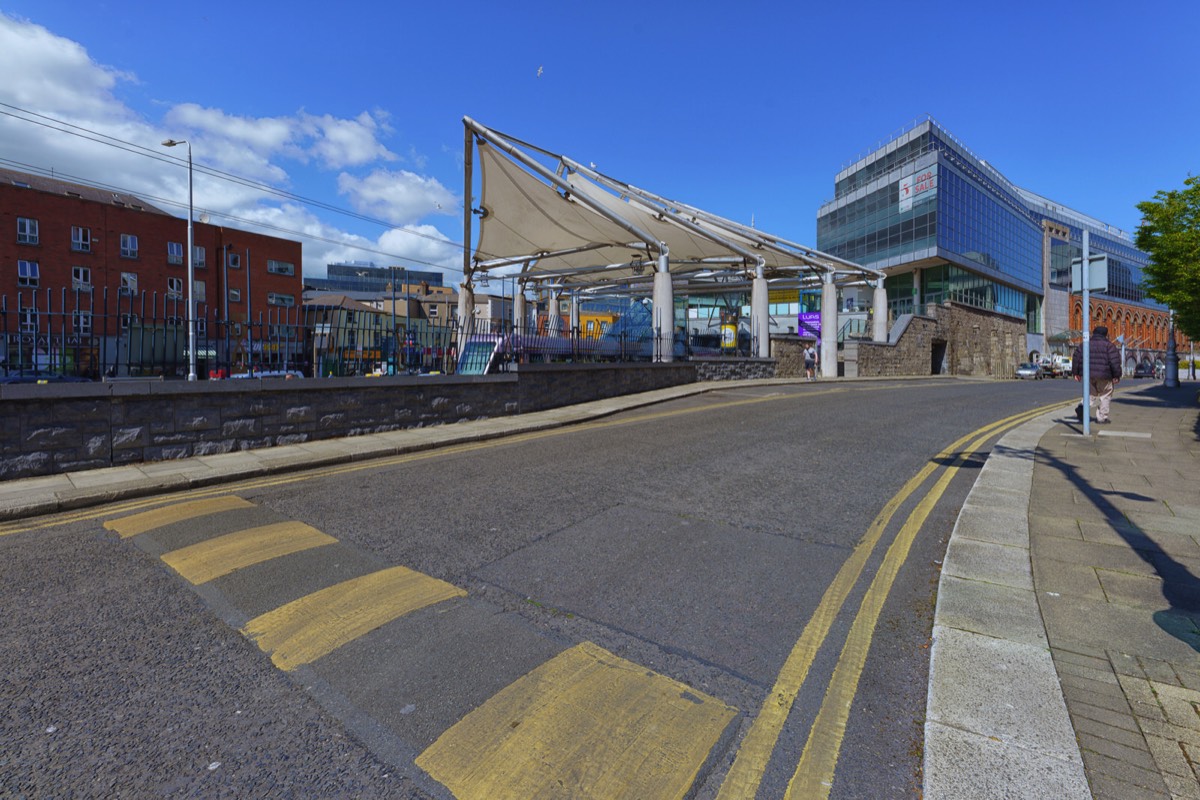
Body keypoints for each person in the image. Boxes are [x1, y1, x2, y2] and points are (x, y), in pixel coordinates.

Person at [1071, 325, 1122, 424]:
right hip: (1104, 375)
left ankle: (1082, 406)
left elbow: (1076, 357)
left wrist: (1076, 373)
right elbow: (1114, 362)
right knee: (1106, 394)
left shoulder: (1085, 344)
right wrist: (1117, 375)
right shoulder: (1110, 346)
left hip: (1088, 375)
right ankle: (1101, 418)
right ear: (1105, 335)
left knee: (1090, 393)